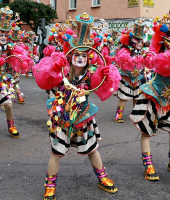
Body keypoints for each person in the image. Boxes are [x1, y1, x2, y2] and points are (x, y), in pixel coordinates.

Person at [33, 12, 121, 200]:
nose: (80, 58)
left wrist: (105, 74)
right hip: (61, 117)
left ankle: (102, 178)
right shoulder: (62, 70)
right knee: (56, 153)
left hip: (84, 118)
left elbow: (102, 88)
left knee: (92, 150)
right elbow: (46, 81)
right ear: (70, 54)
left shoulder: (91, 75)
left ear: (89, 57)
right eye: (76, 54)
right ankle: (50, 186)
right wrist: (55, 69)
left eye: (84, 55)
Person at [129, 1, 170, 181]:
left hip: (169, 98)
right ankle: (148, 165)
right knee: (147, 131)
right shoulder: (162, 50)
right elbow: (159, 64)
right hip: (152, 95)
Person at [0, 6, 33, 139]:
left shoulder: (10, 47)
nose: (4, 37)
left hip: (3, 79)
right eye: (1, 34)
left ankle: (11, 126)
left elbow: (19, 55)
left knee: (8, 104)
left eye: (6, 35)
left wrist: (23, 62)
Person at [115, 20, 146, 123]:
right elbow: (121, 58)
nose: (140, 44)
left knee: (137, 97)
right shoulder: (125, 50)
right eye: (138, 41)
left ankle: (135, 115)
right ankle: (118, 115)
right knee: (124, 97)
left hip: (138, 77)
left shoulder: (143, 51)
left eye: (141, 41)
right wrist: (133, 58)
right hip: (127, 77)